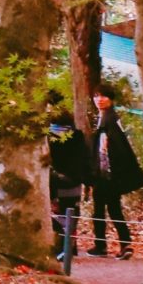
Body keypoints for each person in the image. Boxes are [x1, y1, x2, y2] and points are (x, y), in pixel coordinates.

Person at [89, 92, 143, 258]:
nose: (99, 99)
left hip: (107, 173)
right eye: (96, 96)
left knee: (101, 209)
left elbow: (113, 148)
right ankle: (123, 244)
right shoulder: (105, 117)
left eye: (103, 96)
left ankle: (102, 245)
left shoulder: (110, 119)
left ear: (111, 99)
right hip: (107, 172)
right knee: (112, 209)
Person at [45, 92, 94, 267]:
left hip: (54, 183)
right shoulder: (78, 136)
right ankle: (70, 246)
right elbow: (86, 160)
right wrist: (88, 181)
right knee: (71, 215)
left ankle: (61, 248)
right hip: (74, 181)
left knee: (57, 216)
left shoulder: (48, 137)